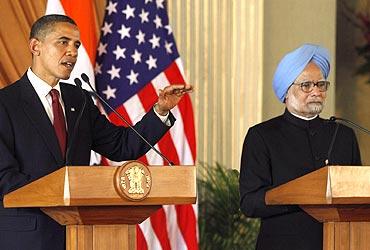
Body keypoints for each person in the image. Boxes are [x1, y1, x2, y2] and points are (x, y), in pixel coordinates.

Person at [0, 14, 192, 250]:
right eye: (63, 42)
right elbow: (5, 179)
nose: (72, 51)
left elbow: (122, 145)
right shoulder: (5, 104)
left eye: (77, 44)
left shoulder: (78, 99)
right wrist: (65, 190)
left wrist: (161, 110)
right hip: (28, 237)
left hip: (82, 236)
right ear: (35, 46)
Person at [239, 44, 361, 250]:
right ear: (287, 92)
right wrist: (299, 196)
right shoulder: (261, 136)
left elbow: (358, 193)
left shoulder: (343, 135)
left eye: (321, 85)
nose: (316, 91)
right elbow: (250, 202)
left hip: (340, 242)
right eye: (306, 85)